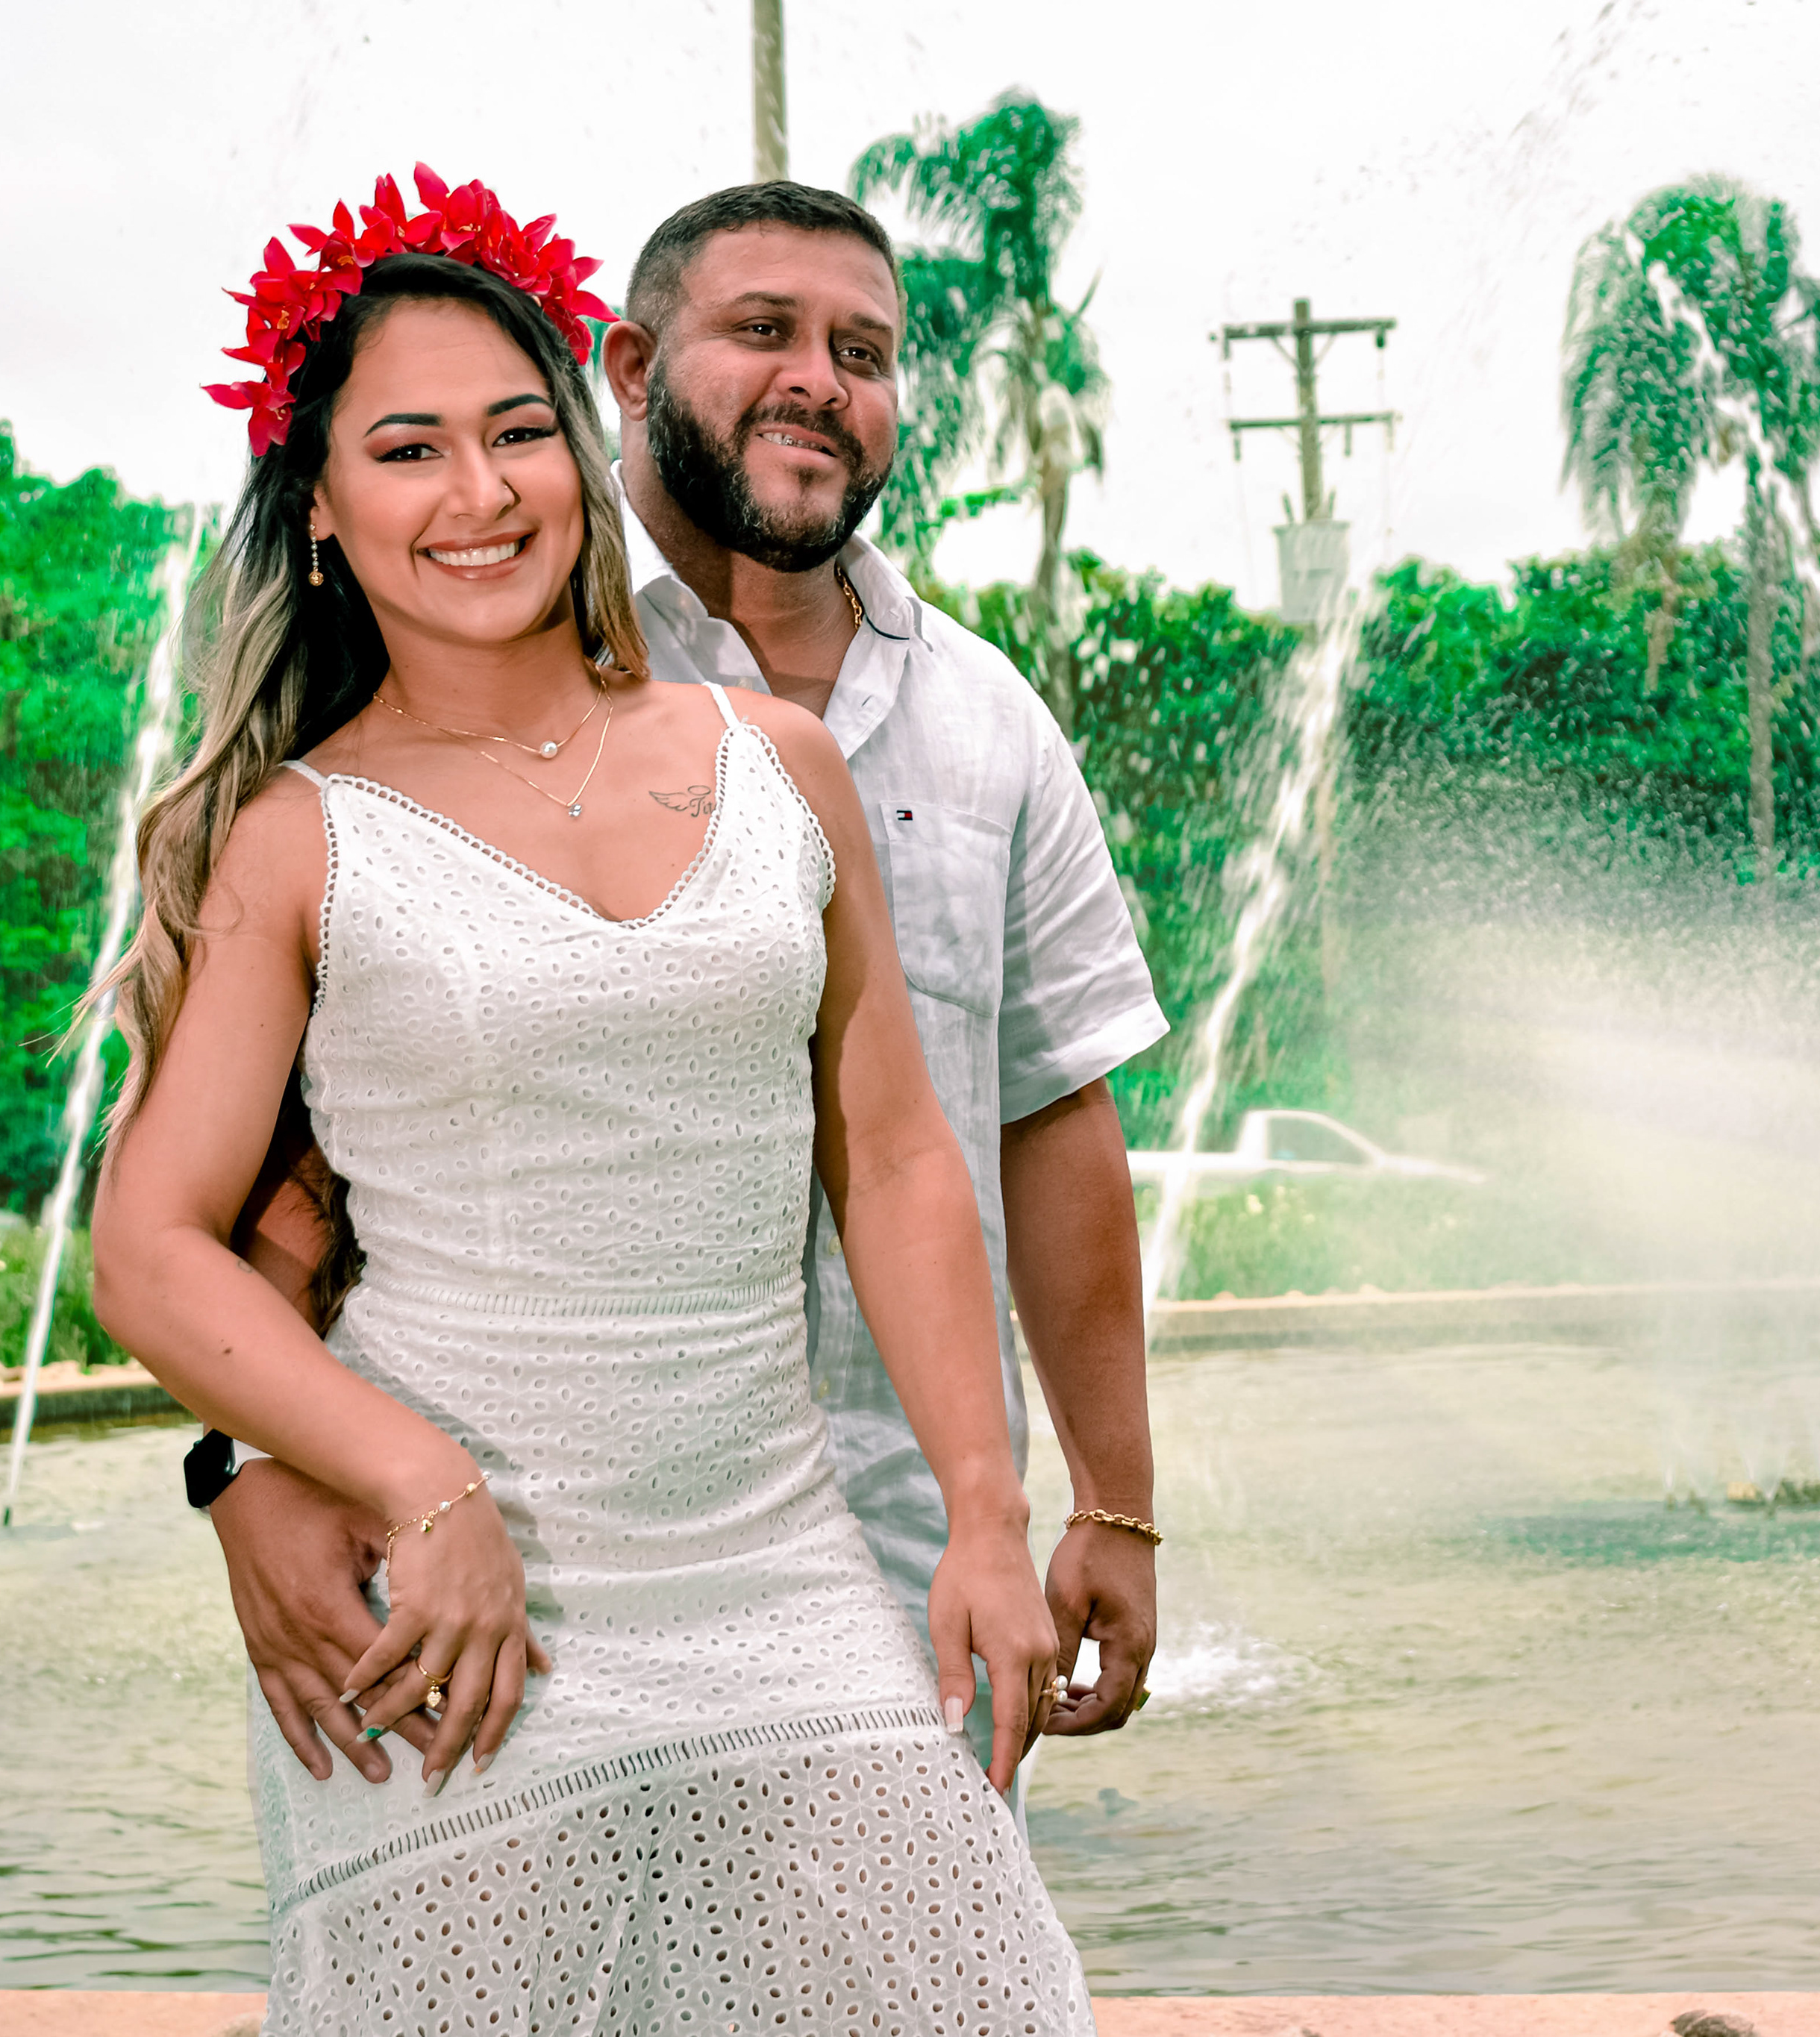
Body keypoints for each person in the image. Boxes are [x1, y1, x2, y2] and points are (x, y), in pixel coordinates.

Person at [92, 169, 1095, 2027]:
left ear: (579, 445)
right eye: (407, 450)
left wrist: (984, 1507)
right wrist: (408, 1485)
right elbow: (153, 1250)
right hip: (456, 1624)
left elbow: (893, 1159)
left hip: (786, 1581)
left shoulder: (773, 762)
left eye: (513, 432)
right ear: (322, 510)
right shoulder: (295, 839)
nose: (477, 494)